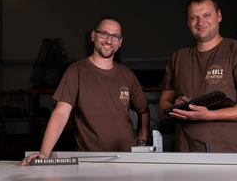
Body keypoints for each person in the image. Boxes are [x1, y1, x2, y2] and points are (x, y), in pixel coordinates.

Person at [18, 17, 150, 166]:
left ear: (120, 42)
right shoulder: (76, 72)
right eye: (104, 34)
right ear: (93, 36)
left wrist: (141, 142)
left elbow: (144, 110)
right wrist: (44, 152)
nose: (109, 41)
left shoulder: (127, 75)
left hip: (128, 159)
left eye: (115, 36)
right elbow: (61, 113)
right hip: (92, 160)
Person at [159, 0, 237, 152]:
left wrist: (209, 115)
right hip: (186, 153)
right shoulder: (178, 57)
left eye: (206, 15)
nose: (200, 22)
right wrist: (175, 109)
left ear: (219, 16)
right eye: (194, 17)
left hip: (228, 155)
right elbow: (163, 103)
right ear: (188, 22)